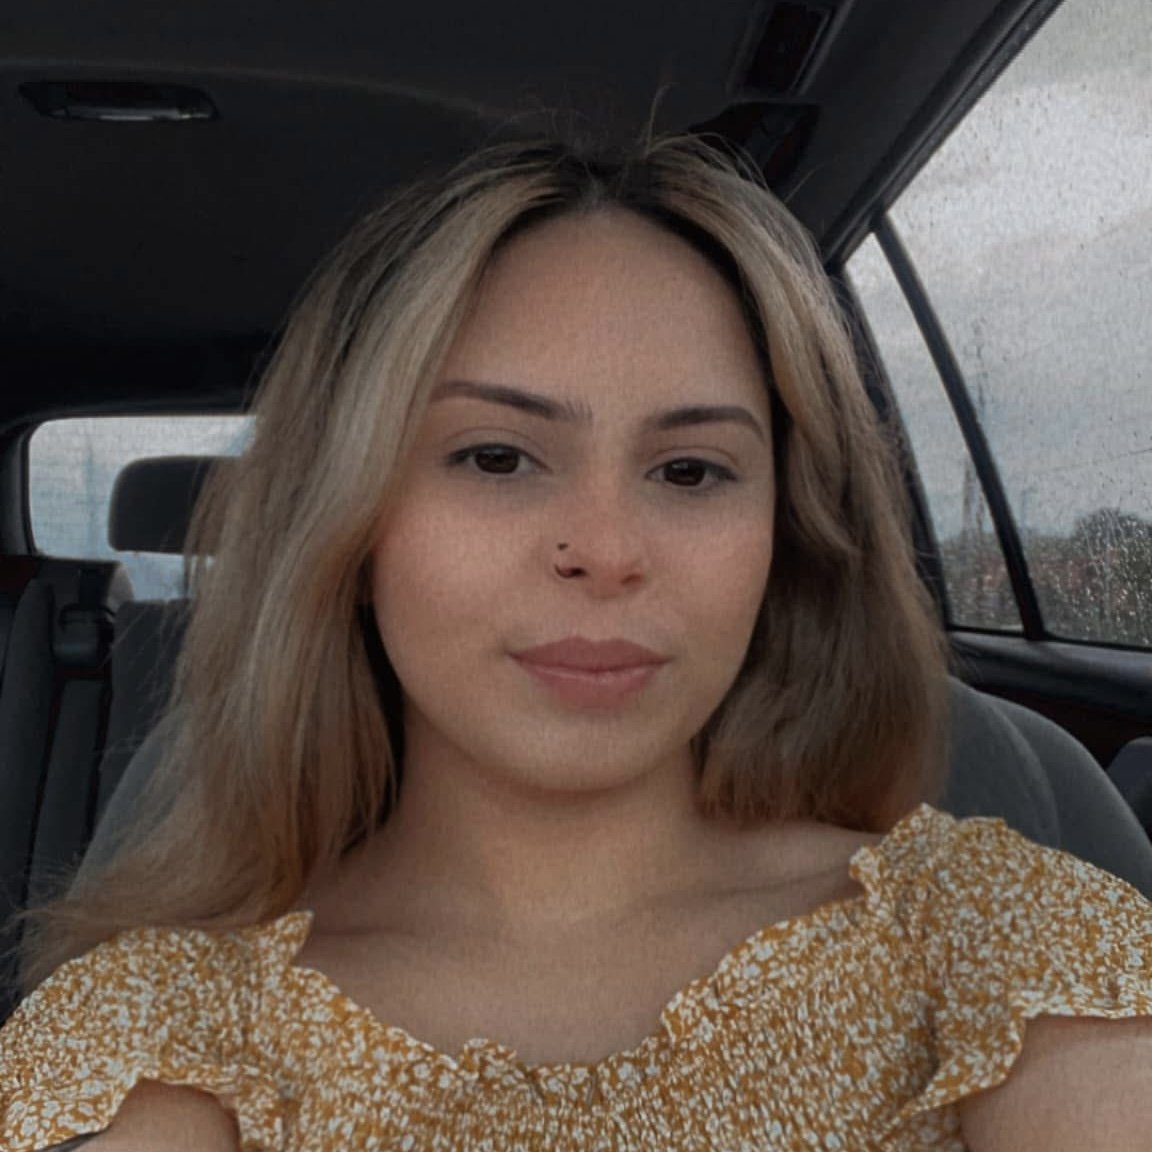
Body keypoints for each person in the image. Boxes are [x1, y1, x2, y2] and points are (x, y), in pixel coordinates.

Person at [1, 132, 1150, 1152]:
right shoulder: (174, 1018)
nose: (605, 549)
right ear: (349, 523)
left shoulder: (986, 934)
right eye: (496, 457)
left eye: (689, 471)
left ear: (783, 536)